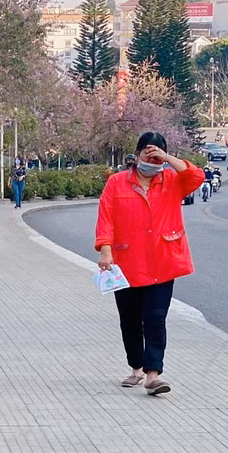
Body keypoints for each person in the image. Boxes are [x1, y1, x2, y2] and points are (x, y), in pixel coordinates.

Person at [95, 132, 204, 396]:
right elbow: (106, 217)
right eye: (146, 151)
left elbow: (197, 177)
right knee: (130, 320)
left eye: (156, 152)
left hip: (162, 263)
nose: (150, 157)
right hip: (126, 262)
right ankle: (136, 367)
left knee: (155, 318)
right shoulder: (117, 182)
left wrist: (167, 159)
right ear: (137, 154)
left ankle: (153, 375)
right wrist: (105, 251)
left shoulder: (172, 181)